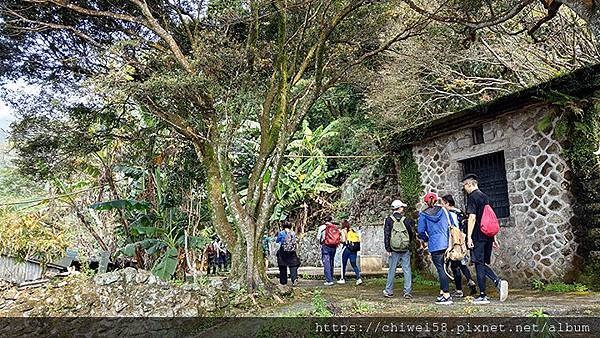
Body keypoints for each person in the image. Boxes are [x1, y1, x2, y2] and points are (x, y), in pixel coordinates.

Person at [463, 174, 509, 304]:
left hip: (478, 235)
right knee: (481, 263)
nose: (465, 189)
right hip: (487, 235)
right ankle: (496, 282)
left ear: (469, 184)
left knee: (478, 263)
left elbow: (472, 218)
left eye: (465, 186)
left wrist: (469, 237)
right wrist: (494, 237)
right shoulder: (485, 197)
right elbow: (490, 218)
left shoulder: (472, 197)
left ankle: (484, 294)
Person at [417, 192, 453, 305]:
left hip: (435, 245)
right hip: (447, 243)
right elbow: (451, 224)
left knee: (440, 270)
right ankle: (443, 292)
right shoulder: (444, 211)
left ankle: (447, 296)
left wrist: (427, 239)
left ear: (426, 202)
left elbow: (421, 231)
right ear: (437, 200)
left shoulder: (423, 214)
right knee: (444, 268)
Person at [441, 194, 477, 297]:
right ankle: (470, 280)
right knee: (462, 262)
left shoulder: (449, 214)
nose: (442, 205)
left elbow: (450, 228)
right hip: (463, 240)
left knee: (454, 265)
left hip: (454, 241)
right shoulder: (459, 212)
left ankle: (459, 290)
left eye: (443, 203)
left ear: (447, 203)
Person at [383, 200, 414, 299]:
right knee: (407, 269)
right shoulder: (406, 220)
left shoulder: (389, 220)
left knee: (392, 270)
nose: (403, 209)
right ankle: (407, 292)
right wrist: (408, 244)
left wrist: (387, 248)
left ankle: (389, 291)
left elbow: (387, 234)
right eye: (402, 207)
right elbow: (410, 234)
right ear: (399, 208)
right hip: (405, 248)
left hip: (393, 249)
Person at [337, 220, 363, 286]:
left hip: (346, 248)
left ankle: (342, 279)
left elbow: (343, 240)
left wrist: (339, 240)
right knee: (354, 264)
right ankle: (358, 278)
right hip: (354, 249)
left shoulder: (343, 230)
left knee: (343, 264)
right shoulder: (352, 230)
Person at [275, 221, 301, 286]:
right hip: (292, 252)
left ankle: (283, 282)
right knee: (293, 266)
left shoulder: (281, 233)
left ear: (283, 226)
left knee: (282, 266)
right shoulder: (293, 233)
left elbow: (277, 241)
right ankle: (294, 279)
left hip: (283, 252)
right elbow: (295, 241)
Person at [317, 216, 340, 286]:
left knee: (326, 262)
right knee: (331, 262)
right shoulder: (335, 227)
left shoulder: (322, 227)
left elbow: (318, 238)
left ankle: (329, 280)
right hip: (334, 246)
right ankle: (331, 278)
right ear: (331, 220)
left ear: (324, 220)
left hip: (326, 246)